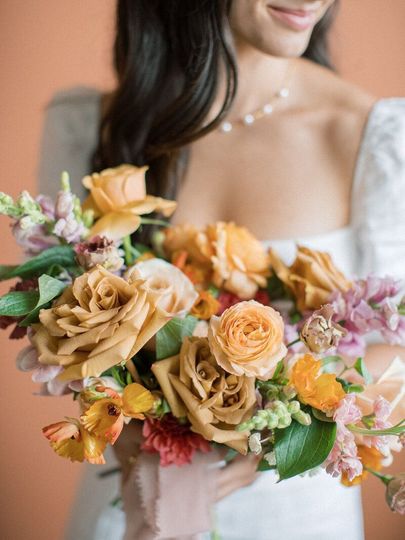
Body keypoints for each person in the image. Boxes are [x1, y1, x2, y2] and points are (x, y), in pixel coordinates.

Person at [38, 1, 405, 539]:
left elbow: (399, 344)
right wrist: (125, 416)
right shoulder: (89, 126)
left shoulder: (374, 136)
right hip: (127, 501)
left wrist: (273, 430)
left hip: (292, 512)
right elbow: (56, 321)